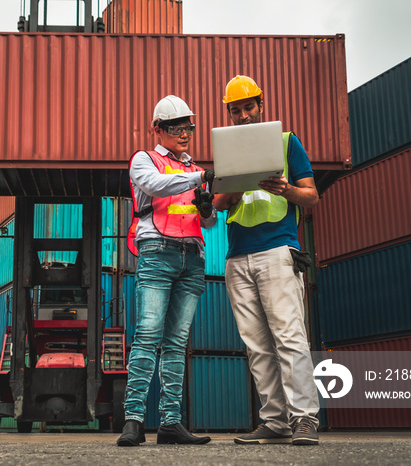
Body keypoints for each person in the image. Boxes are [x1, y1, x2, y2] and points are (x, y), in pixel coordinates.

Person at [212, 75, 321, 446]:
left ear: (262, 105)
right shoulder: (226, 150)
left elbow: (311, 196)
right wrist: (239, 182)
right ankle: (274, 420)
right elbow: (219, 204)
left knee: (289, 336)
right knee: (257, 345)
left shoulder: (287, 142)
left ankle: (304, 418)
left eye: (248, 107)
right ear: (229, 113)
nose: (243, 115)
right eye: (235, 110)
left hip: (277, 249)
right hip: (237, 257)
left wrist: (286, 189)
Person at [117, 95, 215, 447]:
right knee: (148, 336)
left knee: (176, 343)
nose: (185, 133)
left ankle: (171, 423)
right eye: (176, 127)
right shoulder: (144, 160)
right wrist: (200, 178)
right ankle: (133, 421)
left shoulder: (194, 168)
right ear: (158, 129)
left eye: (188, 126)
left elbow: (211, 221)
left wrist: (207, 207)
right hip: (157, 251)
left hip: (193, 256)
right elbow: (156, 186)